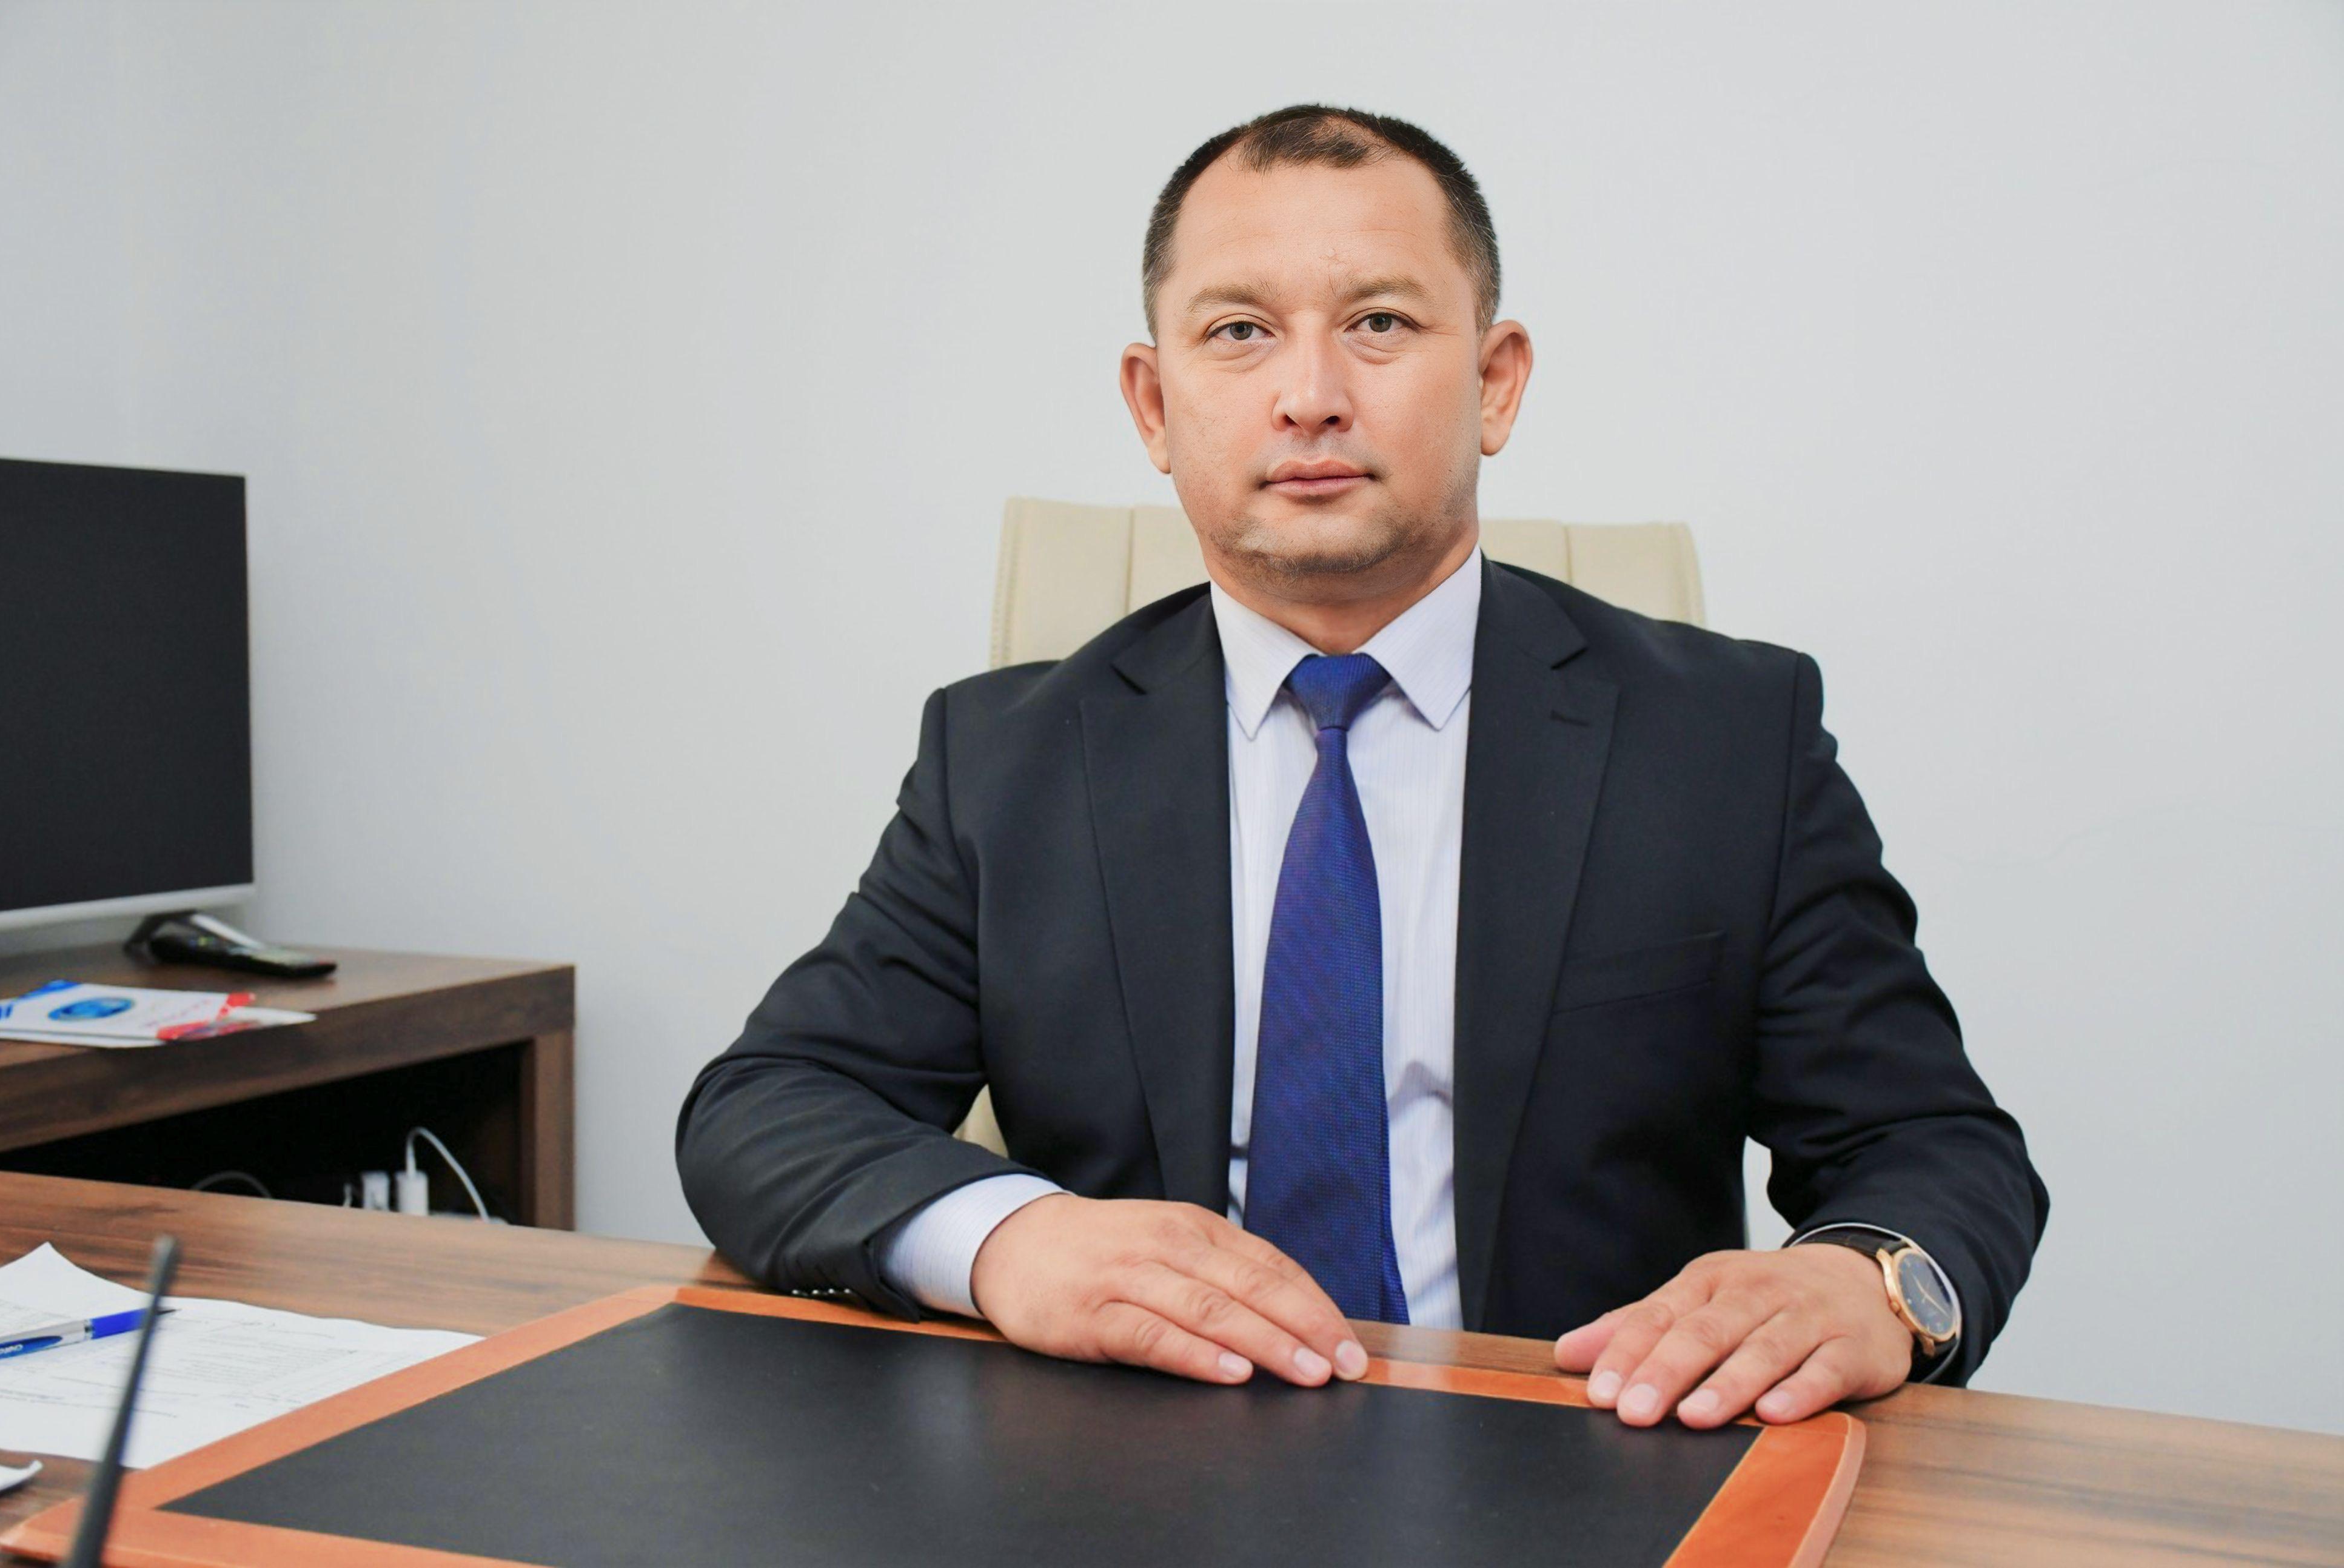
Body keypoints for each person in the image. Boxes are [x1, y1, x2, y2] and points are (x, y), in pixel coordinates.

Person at [677, 103, 2047, 1431]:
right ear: (1153, 405)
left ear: (1496, 382)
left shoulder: (1727, 738)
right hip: (1131, 1472)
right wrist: (1009, 1240)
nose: (1311, 397)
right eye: (1239, 332)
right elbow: (770, 1107)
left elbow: (1931, 1145)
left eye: (1380, 323)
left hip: (1582, 1459)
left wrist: (1868, 1283)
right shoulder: (1007, 756)